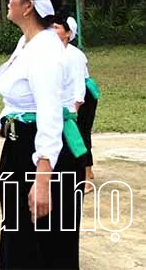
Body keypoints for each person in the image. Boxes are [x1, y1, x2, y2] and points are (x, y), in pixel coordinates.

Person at [0, 0, 86, 269]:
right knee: (19, 237)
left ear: (28, 6)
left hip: (41, 155)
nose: (9, 0)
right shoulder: (28, 42)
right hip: (19, 147)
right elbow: (20, 101)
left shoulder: (45, 50)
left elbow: (48, 114)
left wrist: (43, 178)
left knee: (44, 245)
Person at [53, 14, 99, 193]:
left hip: (83, 97)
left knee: (79, 134)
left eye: (57, 28)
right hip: (67, 98)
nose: (53, 31)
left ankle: (86, 178)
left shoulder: (75, 55)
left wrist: (75, 109)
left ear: (68, 33)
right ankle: (83, 169)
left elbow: (79, 86)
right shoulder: (54, 52)